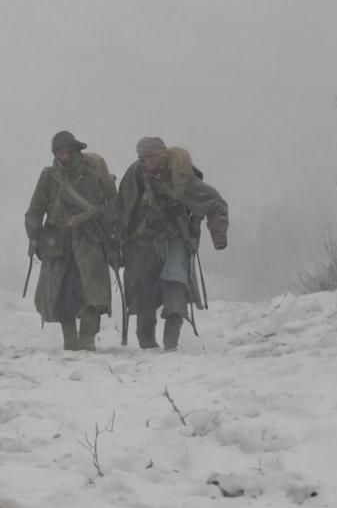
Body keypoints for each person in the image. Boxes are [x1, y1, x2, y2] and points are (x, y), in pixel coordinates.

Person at [117, 137, 228, 351]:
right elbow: (122, 208)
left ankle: (171, 344)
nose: (147, 162)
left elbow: (215, 203)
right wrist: (117, 242)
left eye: (151, 157)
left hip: (174, 236)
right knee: (142, 288)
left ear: (162, 156)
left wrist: (218, 234)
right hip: (142, 240)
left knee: (175, 282)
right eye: (143, 158)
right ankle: (147, 342)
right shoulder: (135, 174)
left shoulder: (181, 175)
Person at [25, 131, 120, 351]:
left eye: (68, 151)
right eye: (60, 152)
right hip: (58, 243)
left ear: (76, 151)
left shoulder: (94, 172)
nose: (64, 156)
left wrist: (114, 236)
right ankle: (70, 341)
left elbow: (113, 205)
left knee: (92, 294)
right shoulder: (49, 177)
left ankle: (87, 340)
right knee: (61, 293)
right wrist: (35, 237)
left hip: (90, 239)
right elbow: (35, 210)